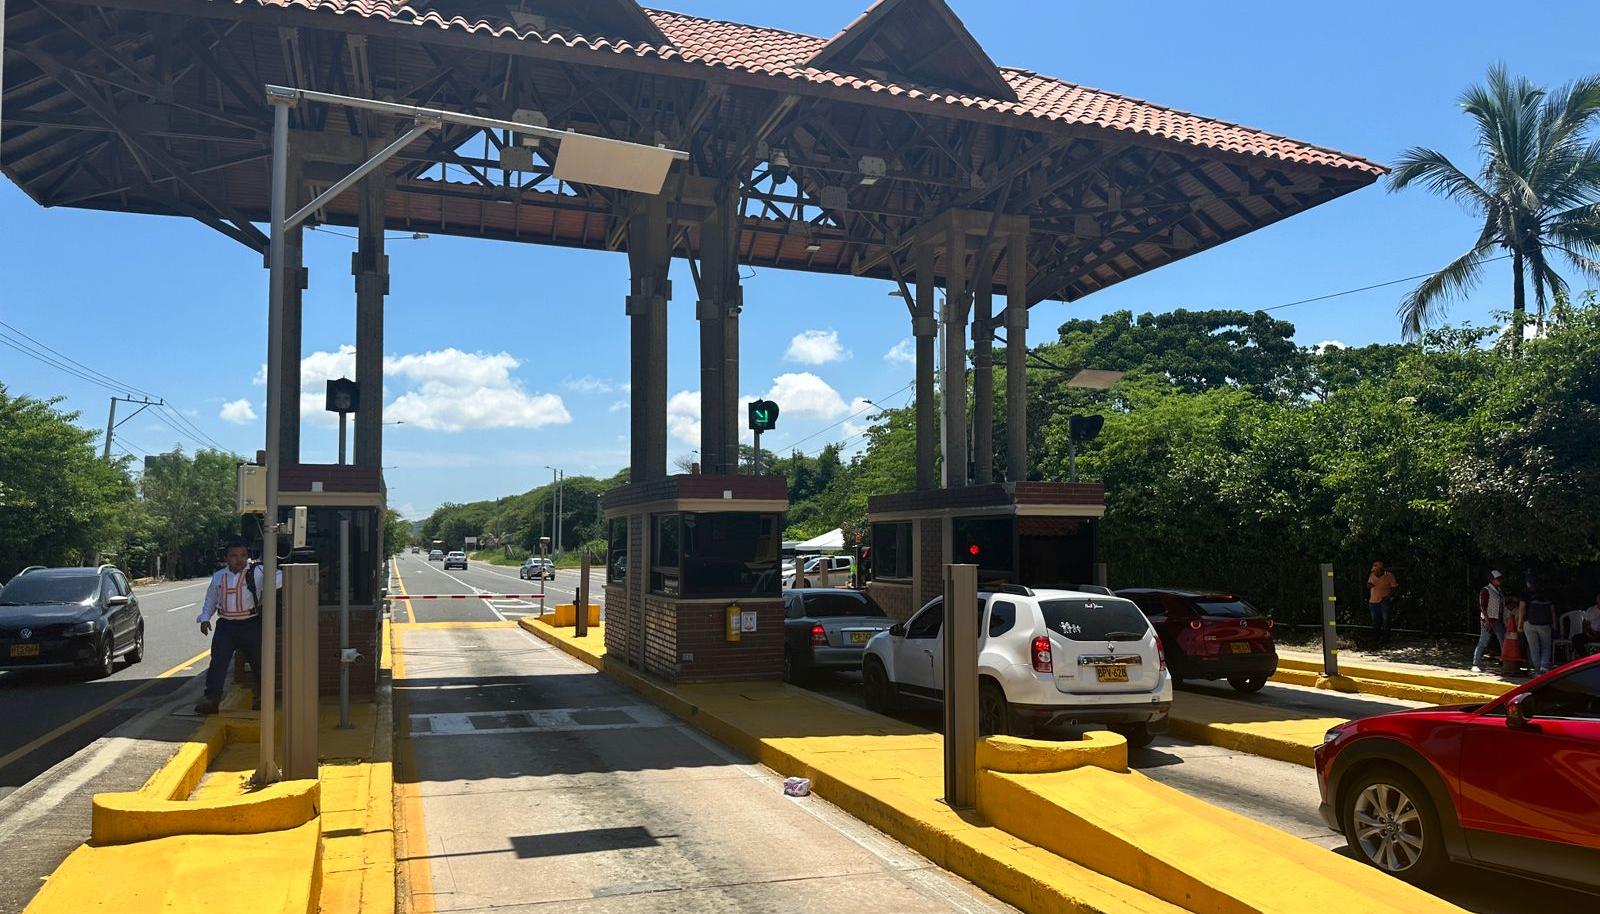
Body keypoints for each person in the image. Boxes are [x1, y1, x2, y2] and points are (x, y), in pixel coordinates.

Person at [193, 539, 279, 715]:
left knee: (259, 663)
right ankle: (211, 699)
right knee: (218, 661)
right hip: (226, 625)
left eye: (243, 556)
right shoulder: (219, 577)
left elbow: (280, 577)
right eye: (233, 556)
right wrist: (204, 618)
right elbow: (211, 599)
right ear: (226, 558)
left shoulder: (258, 571)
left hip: (251, 623)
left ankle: (263, 698)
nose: (239, 560)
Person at [1471, 570, 1506, 673]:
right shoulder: (1485, 590)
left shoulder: (1499, 591)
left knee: (1503, 642)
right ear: (1492, 580)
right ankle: (1475, 663)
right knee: (1483, 642)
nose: (1500, 581)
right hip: (1488, 620)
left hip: (1497, 620)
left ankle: (1505, 663)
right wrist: (1486, 621)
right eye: (1497, 579)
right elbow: (1483, 606)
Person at [1522, 590, 1556, 675]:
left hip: (1529, 623)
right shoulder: (1547, 596)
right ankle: (1544, 666)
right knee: (1546, 646)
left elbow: (1521, 609)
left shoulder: (1526, 594)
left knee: (1533, 647)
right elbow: (1552, 612)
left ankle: (1536, 668)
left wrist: (1520, 624)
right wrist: (1554, 625)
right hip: (1544, 624)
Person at [1367, 561, 1398, 644]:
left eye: (1376, 570)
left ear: (1381, 570)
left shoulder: (1389, 576)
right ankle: (1376, 638)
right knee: (1375, 621)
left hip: (1384, 601)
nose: (1374, 572)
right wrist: (1370, 585)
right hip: (1373, 601)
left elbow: (1394, 587)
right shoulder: (1372, 575)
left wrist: (1389, 596)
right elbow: (1368, 584)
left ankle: (1385, 639)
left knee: (1386, 620)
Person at [1572, 594, 1600, 658]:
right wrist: (1588, 633)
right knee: (1576, 638)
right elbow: (1585, 623)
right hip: (1591, 633)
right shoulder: (1591, 610)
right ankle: (1585, 657)